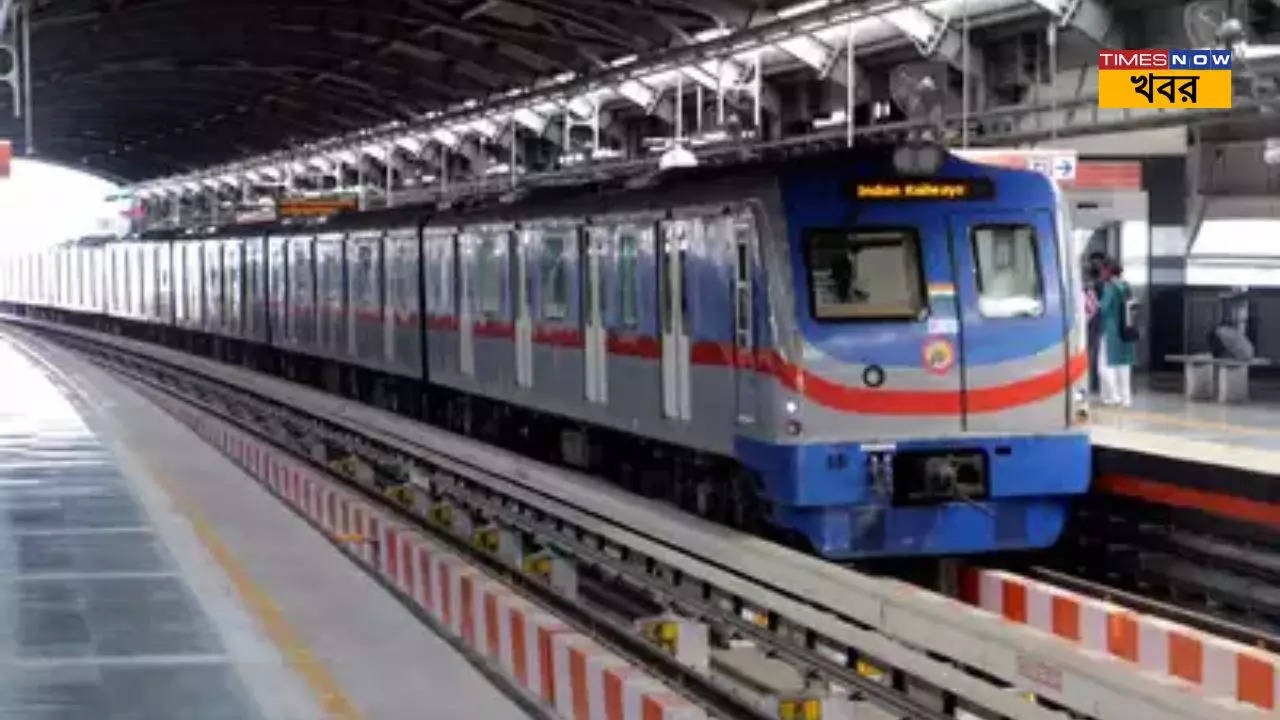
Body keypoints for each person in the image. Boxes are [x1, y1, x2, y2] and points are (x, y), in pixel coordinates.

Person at [1097, 258, 1136, 406]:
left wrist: (1095, 304)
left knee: (1104, 366)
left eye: (1102, 269)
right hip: (1127, 330)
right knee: (1124, 365)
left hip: (1111, 331)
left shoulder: (1109, 287)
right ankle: (1126, 398)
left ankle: (1114, 396)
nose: (1101, 272)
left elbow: (1104, 308)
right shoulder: (1126, 286)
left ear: (1108, 271)